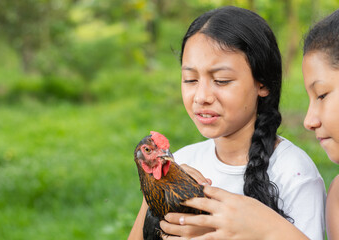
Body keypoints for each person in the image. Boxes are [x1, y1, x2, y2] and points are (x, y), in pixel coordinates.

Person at [128, 6, 326, 240]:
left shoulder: (294, 174)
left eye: (221, 80)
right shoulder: (183, 162)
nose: (202, 96)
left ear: (262, 83)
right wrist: (155, 194)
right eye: (190, 79)